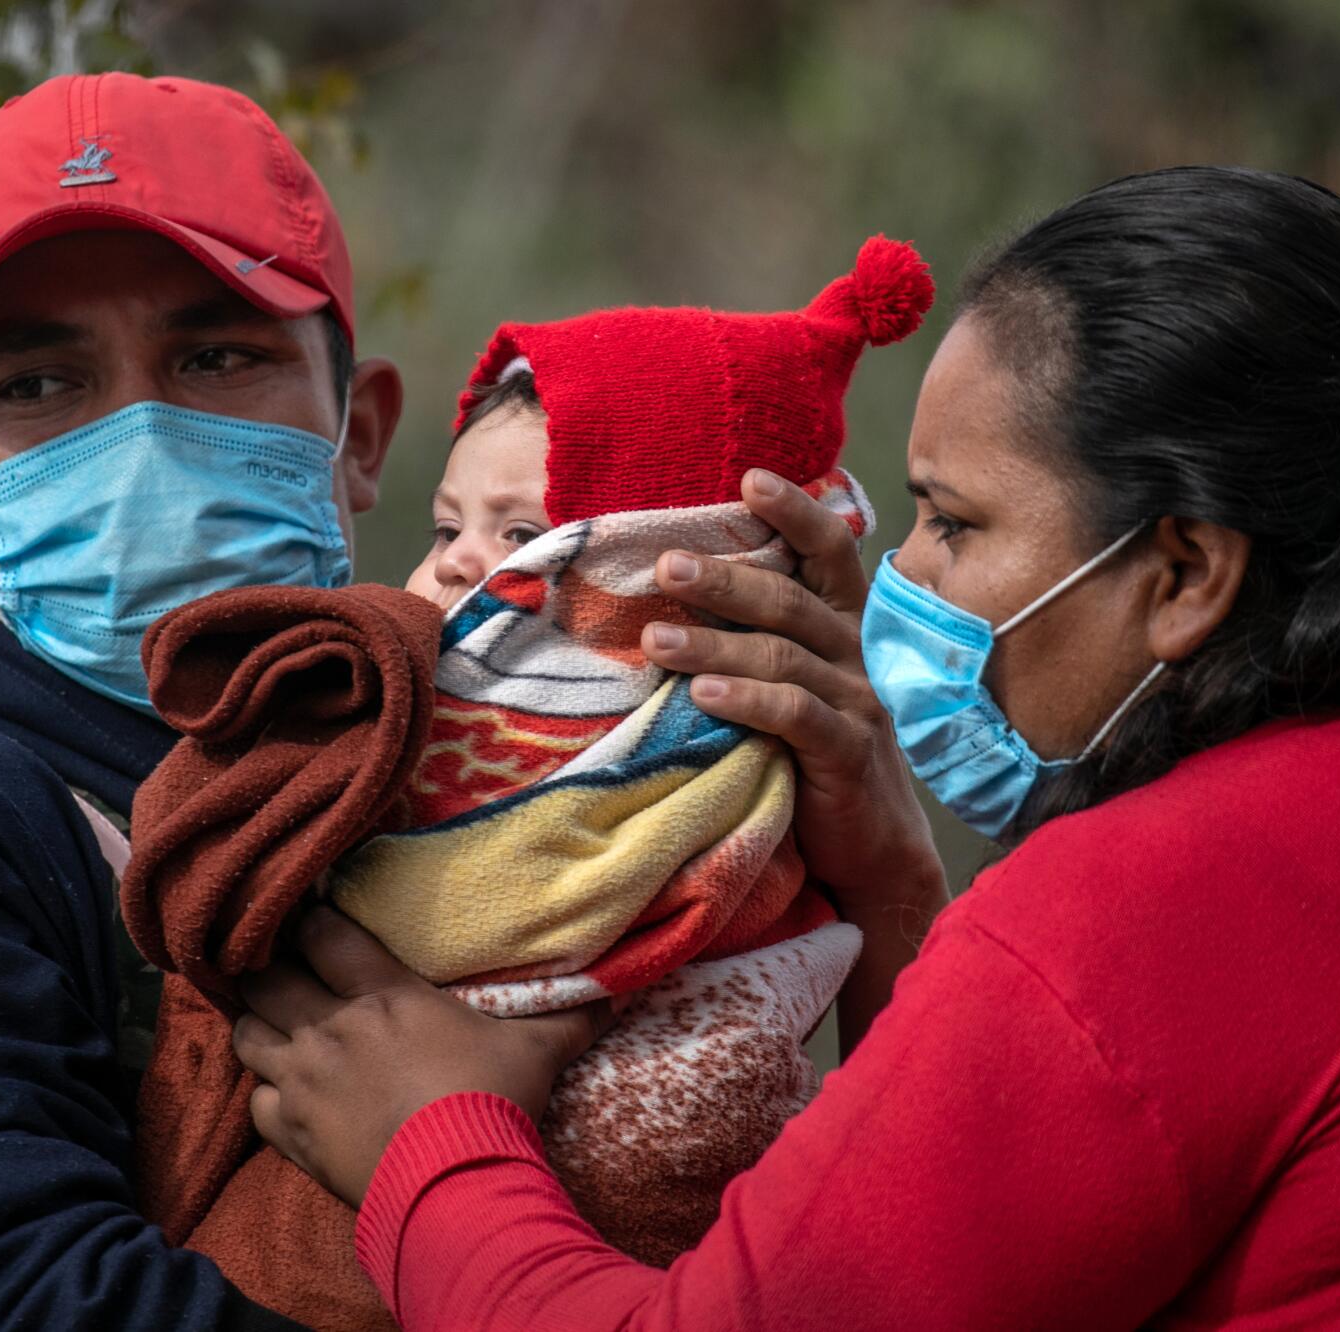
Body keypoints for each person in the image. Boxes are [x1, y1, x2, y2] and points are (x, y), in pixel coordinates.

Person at [0, 73, 931, 1329]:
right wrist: (459, 1168)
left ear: (359, 440)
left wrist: (875, 881)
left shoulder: (491, 798)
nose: (140, 438)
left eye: (217, 358)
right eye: (36, 384)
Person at [228, 166, 1340, 1329]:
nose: (901, 578)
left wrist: (430, 1142)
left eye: (955, 523)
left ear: (1187, 573)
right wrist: (886, 896)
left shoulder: (1137, 915)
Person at [111, 242, 934, 1330]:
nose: (455, 565)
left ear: (650, 572)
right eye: (447, 527)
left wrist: (886, 889)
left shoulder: (743, 804)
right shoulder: (377, 707)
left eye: (523, 536)